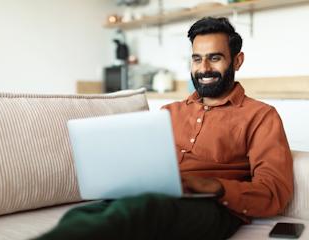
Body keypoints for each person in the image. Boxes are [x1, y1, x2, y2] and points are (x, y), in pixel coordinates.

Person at [34, 17, 293, 240]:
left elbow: (274, 192)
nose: (204, 69)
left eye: (214, 58)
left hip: (213, 207)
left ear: (237, 61)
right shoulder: (169, 113)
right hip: (155, 198)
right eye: (197, 59)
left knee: (140, 211)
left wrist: (212, 185)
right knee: (83, 213)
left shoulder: (260, 116)